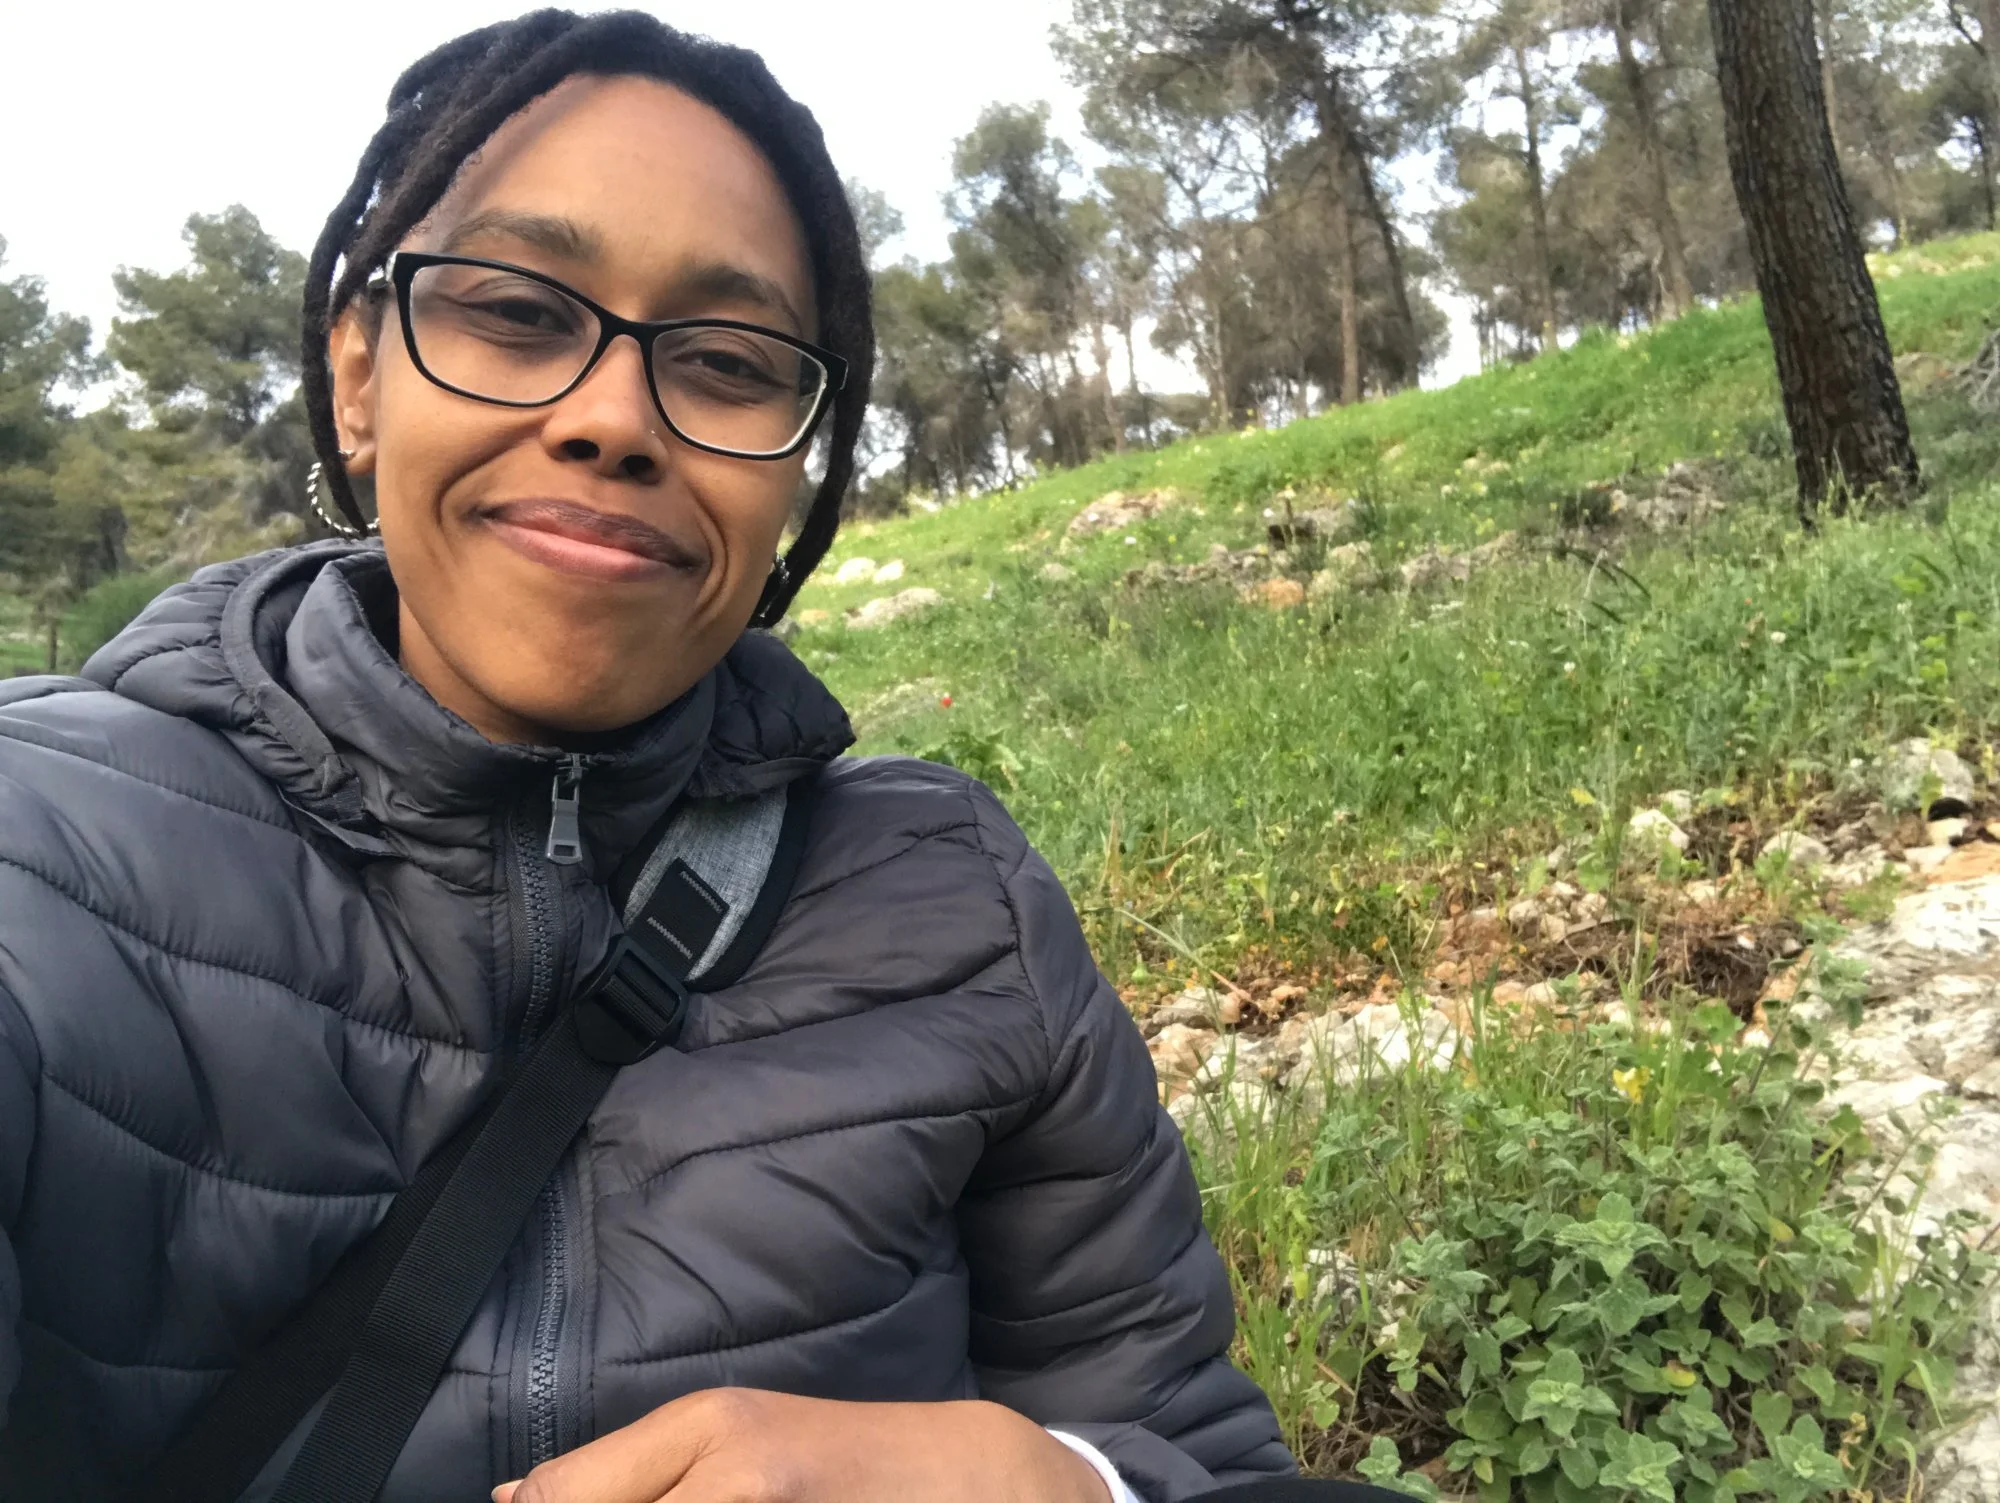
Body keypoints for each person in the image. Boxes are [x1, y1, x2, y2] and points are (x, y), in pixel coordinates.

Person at [0, 10, 1299, 1502]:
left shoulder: (963, 906)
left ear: (799, 463)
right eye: (515, 312)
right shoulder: (36, 860)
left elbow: (1206, 1455)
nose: (614, 417)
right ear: (360, 376)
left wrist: (1069, 1483)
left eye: (729, 361)